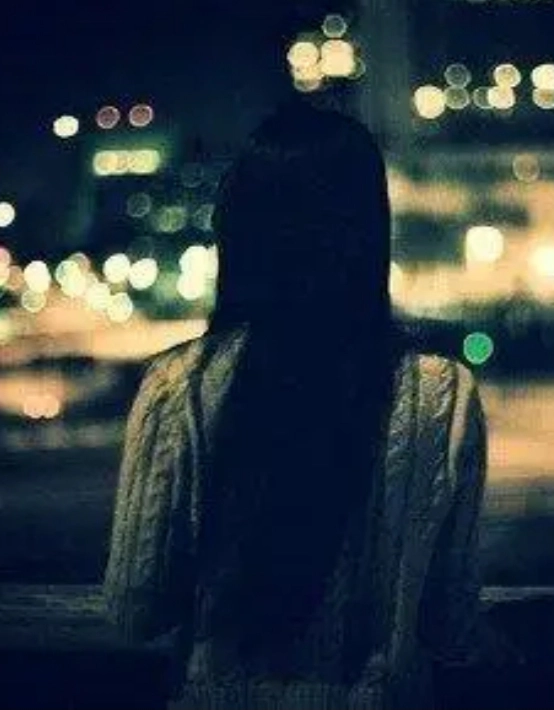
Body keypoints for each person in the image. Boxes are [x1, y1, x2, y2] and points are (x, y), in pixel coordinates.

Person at [103, 102, 488, 709]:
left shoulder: (179, 389)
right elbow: (452, 623)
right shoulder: (445, 395)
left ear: (240, 233)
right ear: (370, 231)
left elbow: (135, 610)